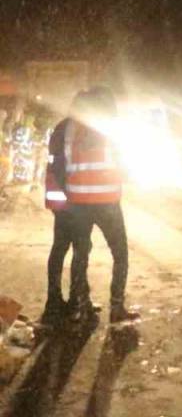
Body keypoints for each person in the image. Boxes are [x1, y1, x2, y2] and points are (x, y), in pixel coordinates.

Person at [64, 86, 140, 326]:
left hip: (78, 203)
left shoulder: (71, 128)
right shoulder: (112, 128)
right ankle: (116, 306)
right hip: (106, 202)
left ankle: (82, 305)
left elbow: (65, 161)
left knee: (80, 254)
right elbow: (125, 164)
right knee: (120, 254)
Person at [39, 91, 93, 325]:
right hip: (73, 199)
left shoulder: (61, 128)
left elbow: (56, 164)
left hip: (60, 199)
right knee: (80, 248)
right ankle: (76, 301)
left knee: (60, 247)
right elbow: (67, 166)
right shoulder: (78, 131)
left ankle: (55, 300)